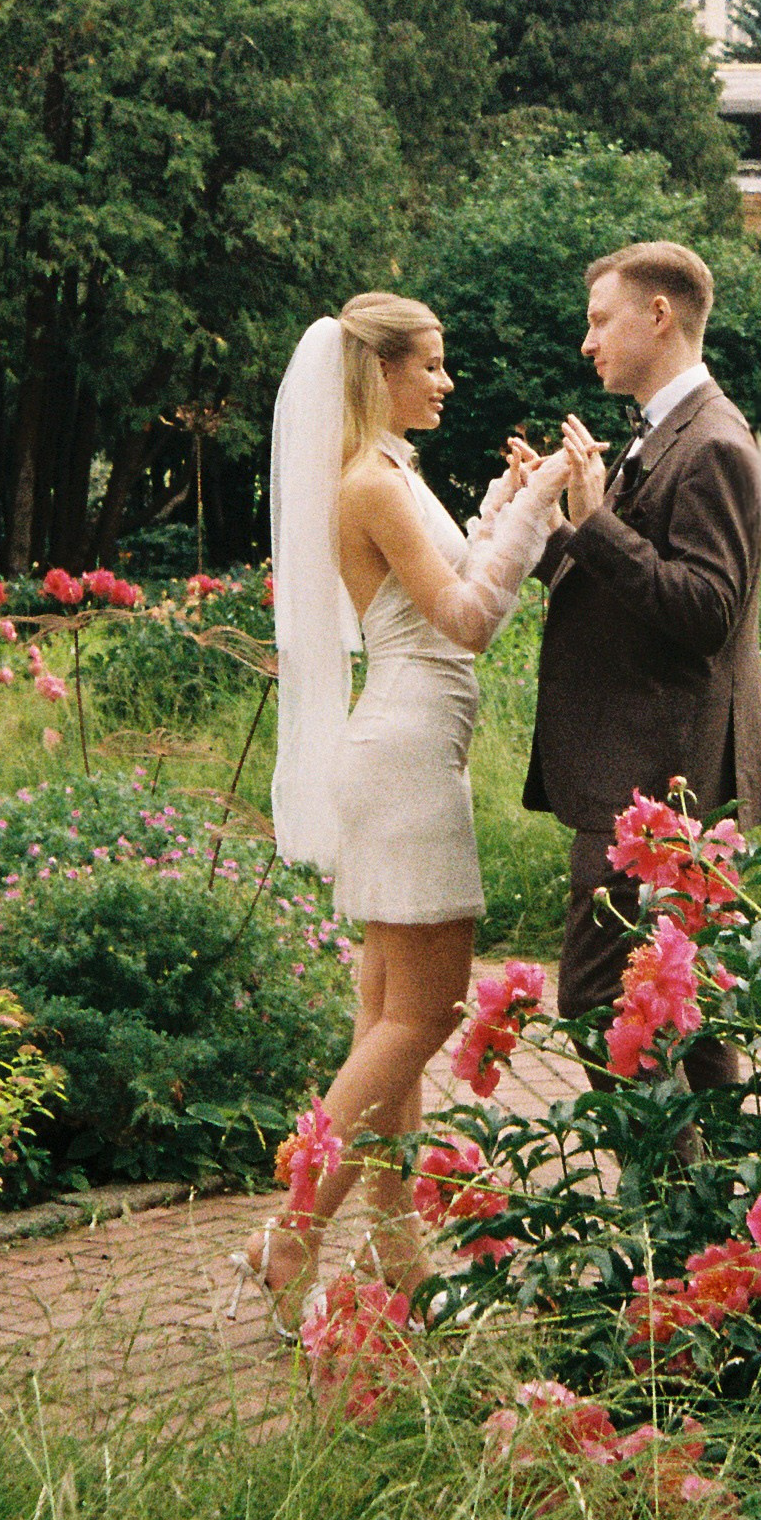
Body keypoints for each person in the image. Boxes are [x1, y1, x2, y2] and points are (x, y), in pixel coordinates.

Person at [254, 292, 569, 1316]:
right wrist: (541, 504)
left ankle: (397, 1253)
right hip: (405, 758)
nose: (444, 381)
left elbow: (448, 581)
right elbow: (468, 619)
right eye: (428, 364)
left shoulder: (390, 469)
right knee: (424, 1013)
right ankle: (290, 1239)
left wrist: (501, 506)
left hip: (397, 747)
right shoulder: (369, 479)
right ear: (377, 370)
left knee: (389, 1020)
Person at [524, 238, 761, 1088]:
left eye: (599, 319)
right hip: (642, 776)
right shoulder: (662, 433)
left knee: (604, 1005)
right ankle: (714, 1207)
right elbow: (632, 589)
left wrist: (596, 519)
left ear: (658, 313)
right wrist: (553, 529)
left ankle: (668, 1202)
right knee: (683, 1013)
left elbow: (705, 612)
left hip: (656, 784)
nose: (587, 340)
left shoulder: (710, 442)